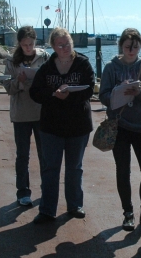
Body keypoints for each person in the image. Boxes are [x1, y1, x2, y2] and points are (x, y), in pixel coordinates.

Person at [28, 28, 95, 223]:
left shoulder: (82, 64)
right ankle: (47, 209)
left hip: (78, 125)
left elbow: (90, 88)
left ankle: (75, 205)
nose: (65, 48)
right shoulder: (47, 67)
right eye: (60, 45)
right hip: (51, 126)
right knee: (51, 168)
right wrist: (53, 94)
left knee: (74, 167)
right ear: (53, 47)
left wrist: (70, 95)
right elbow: (35, 92)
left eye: (68, 44)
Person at [99, 28, 141, 231]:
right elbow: (103, 95)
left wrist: (139, 93)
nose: (131, 50)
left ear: (140, 45)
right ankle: (128, 212)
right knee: (122, 171)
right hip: (120, 125)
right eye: (127, 46)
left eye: (135, 46)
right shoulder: (111, 67)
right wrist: (118, 92)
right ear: (121, 46)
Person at [4, 26, 48, 208]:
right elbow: (7, 87)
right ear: (19, 44)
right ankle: (23, 192)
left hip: (40, 112)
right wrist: (19, 82)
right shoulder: (11, 61)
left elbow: (50, 79)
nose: (28, 48)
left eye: (31, 44)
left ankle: (47, 189)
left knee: (44, 153)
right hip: (21, 113)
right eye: (24, 45)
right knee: (22, 154)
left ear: (35, 42)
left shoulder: (44, 57)